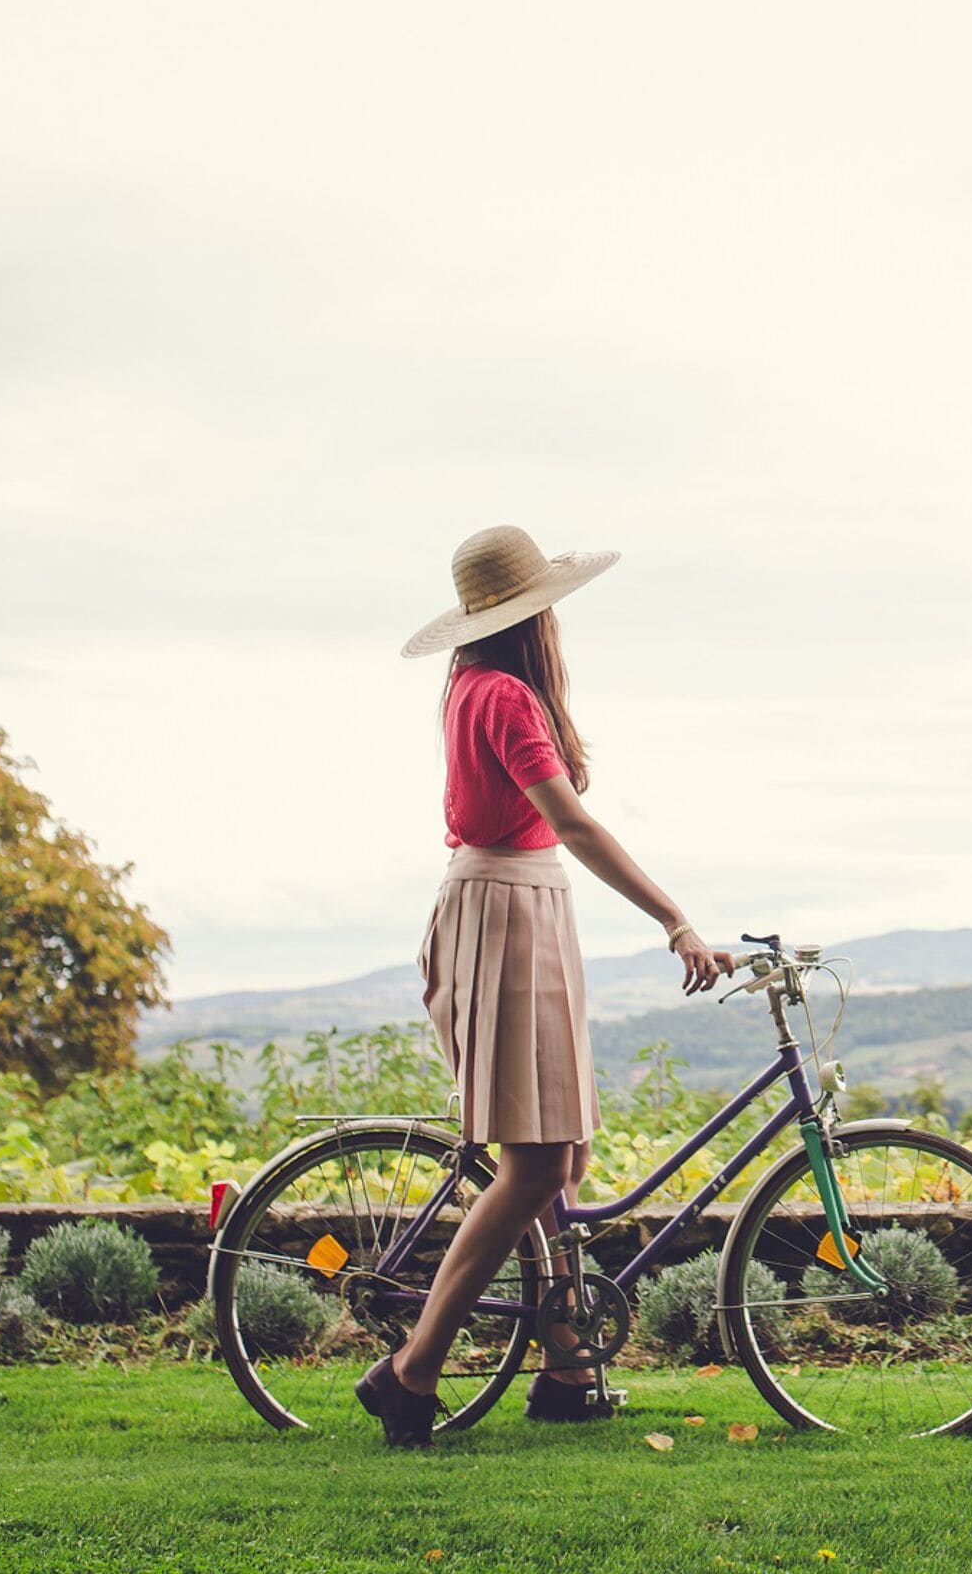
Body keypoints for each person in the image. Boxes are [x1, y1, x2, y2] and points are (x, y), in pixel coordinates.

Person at [354, 525, 731, 1447]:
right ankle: (413, 1368)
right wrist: (674, 916)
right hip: (508, 917)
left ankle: (565, 1369)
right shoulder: (510, 699)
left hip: (513, 910)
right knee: (535, 1162)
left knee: (559, 1160)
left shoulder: (472, 688)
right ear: (536, 615)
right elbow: (571, 822)